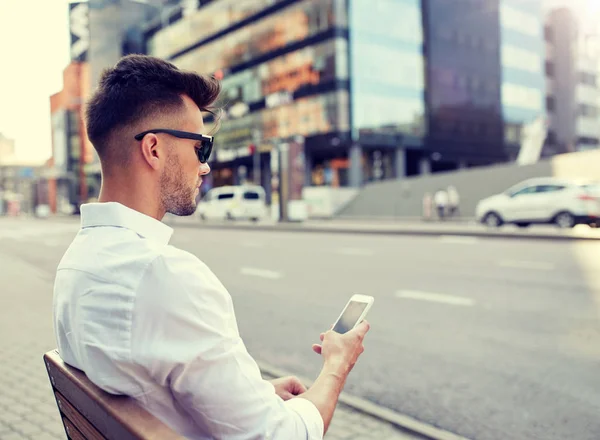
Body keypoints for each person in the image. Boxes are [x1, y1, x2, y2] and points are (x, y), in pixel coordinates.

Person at [52, 55, 370, 440]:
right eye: (201, 147)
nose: (205, 166)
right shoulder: (166, 276)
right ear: (153, 149)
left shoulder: (77, 262)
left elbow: (143, 385)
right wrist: (337, 364)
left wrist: (255, 394)